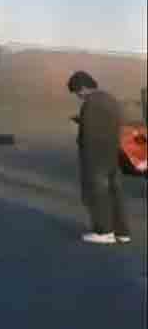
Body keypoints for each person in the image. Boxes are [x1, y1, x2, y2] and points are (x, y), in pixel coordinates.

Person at [67, 71, 131, 245]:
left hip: (95, 156)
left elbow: (88, 134)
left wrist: (80, 128)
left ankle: (104, 231)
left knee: (97, 193)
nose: (78, 96)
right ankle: (122, 232)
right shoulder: (110, 99)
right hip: (112, 153)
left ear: (83, 87)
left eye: (77, 92)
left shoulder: (90, 104)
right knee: (115, 192)